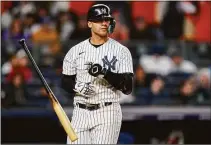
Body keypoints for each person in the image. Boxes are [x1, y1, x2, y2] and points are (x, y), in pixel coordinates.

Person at [61, 4, 134, 144]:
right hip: (80, 112)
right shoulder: (75, 51)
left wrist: (105, 73)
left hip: (107, 111)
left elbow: (127, 87)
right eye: (99, 20)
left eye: (106, 20)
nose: (104, 23)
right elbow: (65, 81)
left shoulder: (121, 51)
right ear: (89, 23)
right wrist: (77, 86)